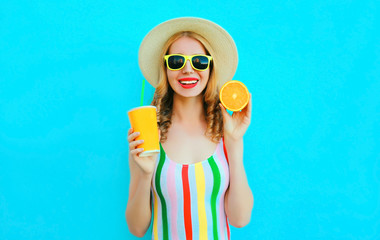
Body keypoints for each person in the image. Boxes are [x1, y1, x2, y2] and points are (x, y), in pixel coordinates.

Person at [126, 17, 254, 239]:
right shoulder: (147, 133)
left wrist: (235, 143)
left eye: (199, 61)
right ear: (165, 69)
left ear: (210, 68)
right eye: (176, 61)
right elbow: (137, 229)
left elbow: (240, 219)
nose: (187, 69)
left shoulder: (226, 133)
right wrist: (146, 173)